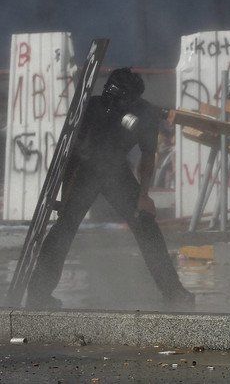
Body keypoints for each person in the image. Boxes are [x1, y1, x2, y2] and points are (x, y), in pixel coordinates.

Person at [26, 68, 194, 309]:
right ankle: (39, 293)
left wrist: (143, 196)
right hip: (86, 170)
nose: (111, 104)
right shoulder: (91, 108)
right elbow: (71, 154)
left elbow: (148, 156)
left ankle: (173, 291)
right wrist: (64, 195)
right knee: (63, 229)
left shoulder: (143, 113)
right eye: (108, 95)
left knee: (146, 226)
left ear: (131, 99)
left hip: (116, 171)